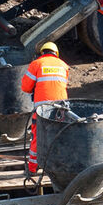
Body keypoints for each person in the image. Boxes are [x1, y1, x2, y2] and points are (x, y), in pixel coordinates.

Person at [20, 41, 69, 173]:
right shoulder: (64, 65)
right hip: (61, 109)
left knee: (37, 137)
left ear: (42, 53)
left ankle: (32, 169)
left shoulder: (36, 64)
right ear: (56, 54)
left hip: (42, 109)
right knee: (58, 136)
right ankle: (58, 167)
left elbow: (25, 87)